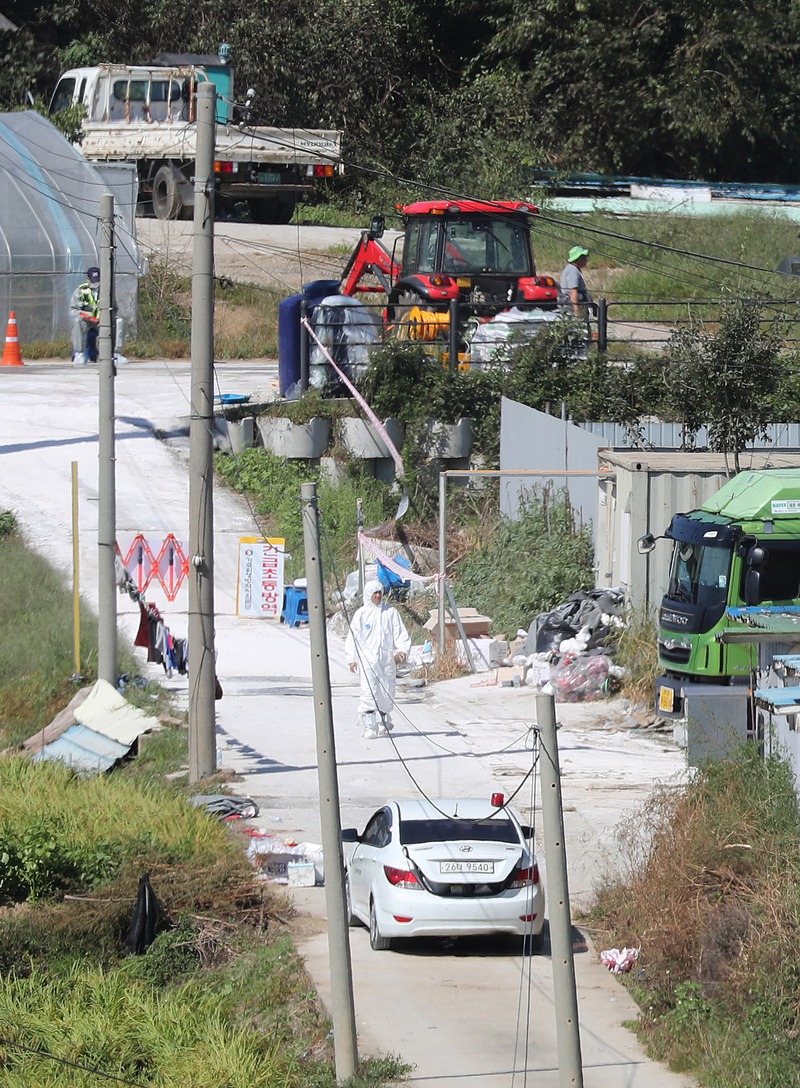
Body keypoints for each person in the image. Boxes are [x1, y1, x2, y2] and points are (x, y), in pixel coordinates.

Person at [344, 578, 412, 738]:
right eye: (375, 593)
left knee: (386, 691)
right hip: (367, 660)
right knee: (369, 692)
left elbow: (400, 632)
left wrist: (402, 650)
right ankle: (370, 727)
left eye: (380, 593)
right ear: (368, 595)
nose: (378, 596)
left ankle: (382, 722)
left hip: (386, 661)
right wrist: (351, 658)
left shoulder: (390, 613)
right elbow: (352, 637)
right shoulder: (361, 614)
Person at [70, 266, 100, 366]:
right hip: (87, 320)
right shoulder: (81, 290)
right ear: (88, 279)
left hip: (103, 319)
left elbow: (114, 308)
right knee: (77, 322)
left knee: (119, 321)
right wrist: (87, 316)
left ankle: (116, 353)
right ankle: (79, 353)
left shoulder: (108, 290)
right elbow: (74, 309)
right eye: (93, 280)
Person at [558, 245, 594, 327]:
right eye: (584, 257)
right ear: (578, 259)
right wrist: (577, 312)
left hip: (571, 306)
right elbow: (573, 291)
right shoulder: (572, 270)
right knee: (580, 329)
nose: (586, 259)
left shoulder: (572, 269)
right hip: (572, 308)